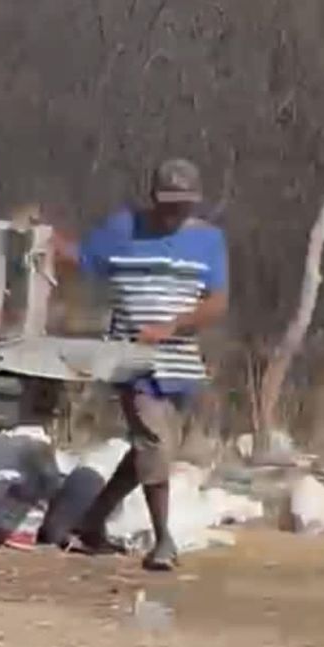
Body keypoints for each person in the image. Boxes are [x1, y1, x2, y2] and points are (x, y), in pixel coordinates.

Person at [50, 158, 229, 571]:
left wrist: (173, 326)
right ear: (153, 199)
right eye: (168, 205)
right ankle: (163, 540)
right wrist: (47, 240)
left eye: (182, 206)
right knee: (154, 442)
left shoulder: (208, 241)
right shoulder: (123, 229)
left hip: (179, 359)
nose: (174, 214)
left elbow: (217, 301)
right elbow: (84, 257)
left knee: (152, 449)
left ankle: (91, 522)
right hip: (130, 357)